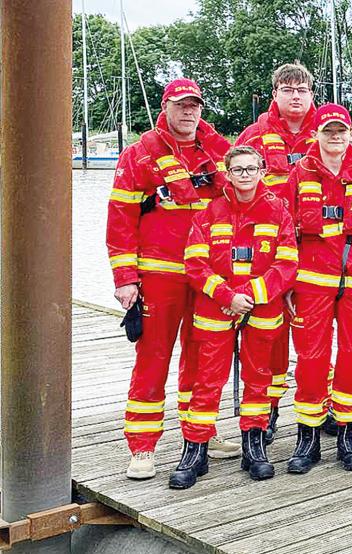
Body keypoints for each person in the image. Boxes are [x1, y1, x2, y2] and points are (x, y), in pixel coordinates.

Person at [106, 78, 234, 480]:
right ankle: (142, 446)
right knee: (153, 358)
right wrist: (126, 278)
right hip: (159, 274)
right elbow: (120, 220)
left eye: (195, 105)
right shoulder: (139, 156)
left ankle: (200, 431)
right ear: (166, 107)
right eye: (181, 105)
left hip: (207, 275)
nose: (189, 112)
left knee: (203, 357)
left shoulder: (217, 151)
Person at [169, 146, 298, 489]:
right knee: (207, 381)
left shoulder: (277, 212)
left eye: (251, 169)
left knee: (259, 379)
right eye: (237, 169)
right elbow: (194, 264)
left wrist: (251, 295)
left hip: (262, 306)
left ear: (262, 171)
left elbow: (286, 264)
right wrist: (228, 296)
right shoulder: (209, 213)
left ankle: (253, 446)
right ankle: (195, 450)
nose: (244, 175)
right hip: (216, 306)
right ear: (227, 173)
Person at [285, 103, 352, 473]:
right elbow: (285, 232)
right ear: (316, 134)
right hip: (311, 284)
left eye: (341, 131)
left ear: (351, 134)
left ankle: (349, 435)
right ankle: (308, 438)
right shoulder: (299, 173)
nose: (335, 137)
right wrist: (286, 281)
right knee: (311, 361)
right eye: (328, 131)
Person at [235, 64, 319, 443]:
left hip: (321, 253)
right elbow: (235, 193)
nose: (296, 96)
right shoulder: (255, 135)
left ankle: (321, 408)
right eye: (288, 89)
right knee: (268, 336)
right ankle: (266, 413)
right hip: (267, 254)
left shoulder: (328, 133)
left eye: (302, 89)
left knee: (316, 335)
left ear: (312, 94)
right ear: (275, 93)